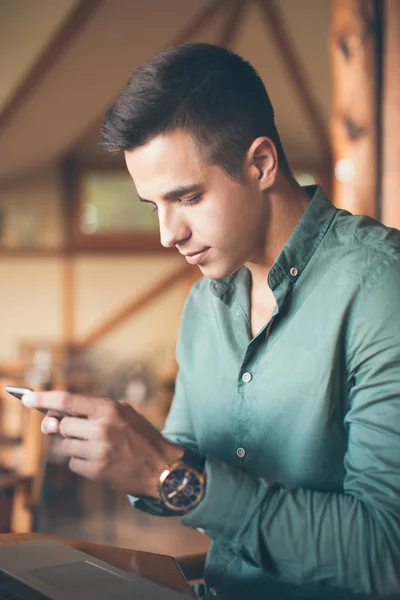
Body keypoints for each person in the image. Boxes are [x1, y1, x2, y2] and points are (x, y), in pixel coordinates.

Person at [22, 43, 400, 599]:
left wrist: (169, 475)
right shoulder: (205, 306)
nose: (166, 234)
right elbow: (175, 458)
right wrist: (123, 449)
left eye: (188, 197)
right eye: (154, 206)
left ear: (262, 163)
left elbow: (385, 552)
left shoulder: (380, 288)